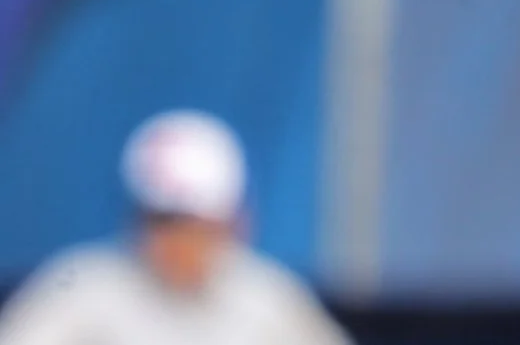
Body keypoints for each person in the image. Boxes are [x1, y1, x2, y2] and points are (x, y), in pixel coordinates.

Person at [0, 109, 349, 345]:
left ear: (236, 224)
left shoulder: (267, 300)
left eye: (198, 229)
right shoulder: (82, 289)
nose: (181, 245)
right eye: (166, 225)